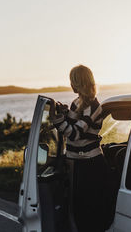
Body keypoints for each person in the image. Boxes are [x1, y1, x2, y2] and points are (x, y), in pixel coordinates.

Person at [49, 64, 109, 232]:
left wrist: (57, 120)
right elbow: (71, 124)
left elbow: (74, 134)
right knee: (76, 208)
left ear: (79, 82)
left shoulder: (94, 106)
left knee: (87, 211)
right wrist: (63, 113)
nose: (70, 84)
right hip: (77, 163)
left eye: (72, 81)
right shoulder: (77, 103)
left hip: (90, 165)